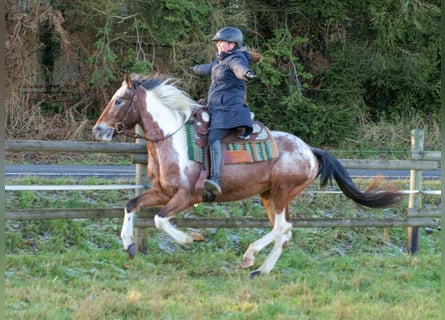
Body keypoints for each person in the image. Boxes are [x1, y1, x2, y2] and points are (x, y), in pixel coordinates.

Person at [187, 26, 258, 196]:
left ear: (233, 44)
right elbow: (208, 68)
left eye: (222, 42)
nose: (218, 45)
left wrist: (247, 74)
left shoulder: (236, 59)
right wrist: (194, 69)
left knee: (213, 138)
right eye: (217, 42)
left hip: (229, 110)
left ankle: (215, 179)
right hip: (216, 108)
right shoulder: (220, 62)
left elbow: (239, 69)